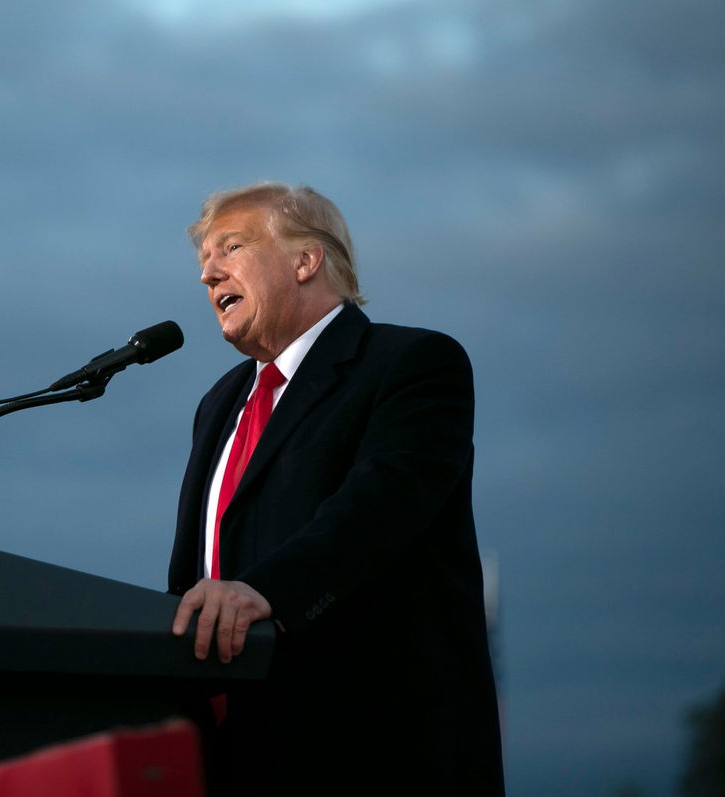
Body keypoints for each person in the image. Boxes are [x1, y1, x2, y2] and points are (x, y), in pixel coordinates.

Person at [168, 182, 504, 794]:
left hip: (369, 747)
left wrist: (265, 592)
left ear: (305, 260)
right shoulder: (219, 404)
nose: (208, 275)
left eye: (231, 247)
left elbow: (382, 506)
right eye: (203, 262)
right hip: (230, 753)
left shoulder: (413, 363)